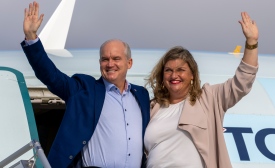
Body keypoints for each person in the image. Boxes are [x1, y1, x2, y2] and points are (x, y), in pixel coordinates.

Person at [21, 2, 150, 168]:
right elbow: (51, 76)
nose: (110, 64)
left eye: (116, 59)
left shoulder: (141, 95)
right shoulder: (84, 90)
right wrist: (32, 38)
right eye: (105, 59)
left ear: (129, 63)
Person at [144, 12, 258, 168]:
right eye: (168, 70)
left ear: (192, 74)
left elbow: (242, 82)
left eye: (180, 70)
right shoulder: (152, 108)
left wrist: (251, 42)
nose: (174, 75)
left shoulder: (209, 99)